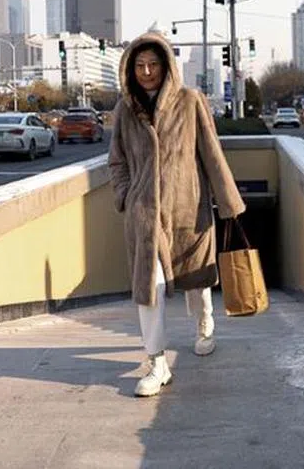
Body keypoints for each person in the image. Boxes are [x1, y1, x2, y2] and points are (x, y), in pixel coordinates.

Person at [108, 31, 246, 397]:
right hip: (144, 213)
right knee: (148, 286)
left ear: (166, 65)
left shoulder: (190, 101)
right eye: (139, 66)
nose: (147, 72)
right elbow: (117, 160)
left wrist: (229, 205)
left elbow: (211, 154)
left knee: (196, 279)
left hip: (188, 205)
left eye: (153, 64)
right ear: (129, 69)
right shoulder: (125, 109)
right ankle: (156, 362)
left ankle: (204, 327)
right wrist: (125, 195)